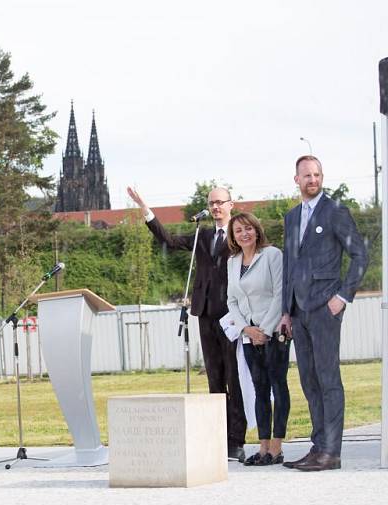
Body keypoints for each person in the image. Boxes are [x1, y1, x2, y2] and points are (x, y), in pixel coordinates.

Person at [127, 186, 247, 461]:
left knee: (234, 377)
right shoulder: (202, 235)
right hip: (205, 312)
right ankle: (218, 435)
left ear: (231, 204)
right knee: (214, 378)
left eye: (220, 203)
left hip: (232, 314)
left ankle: (236, 440)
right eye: (211, 203)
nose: (216, 207)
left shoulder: (241, 233)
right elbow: (168, 240)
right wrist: (146, 210)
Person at [279, 155, 368, 471]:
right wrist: (285, 312)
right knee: (309, 379)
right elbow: (289, 266)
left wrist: (342, 296)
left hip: (324, 308)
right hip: (299, 312)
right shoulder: (291, 218)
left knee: (328, 379)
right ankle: (318, 448)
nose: (312, 180)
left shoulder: (335, 211)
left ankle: (331, 451)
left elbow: (360, 255)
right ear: (297, 180)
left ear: (322, 177)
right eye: (306, 175)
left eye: (317, 174)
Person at [225, 213, 289, 466]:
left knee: (278, 387)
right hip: (250, 336)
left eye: (248, 228)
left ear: (257, 230)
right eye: (239, 230)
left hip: (274, 333)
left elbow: (279, 293)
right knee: (259, 390)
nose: (244, 234)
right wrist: (246, 330)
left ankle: (276, 447)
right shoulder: (233, 262)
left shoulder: (272, 255)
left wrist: (265, 329)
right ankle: (263, 448)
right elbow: (232, 300)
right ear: (233, 236)